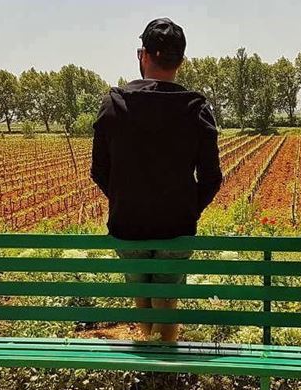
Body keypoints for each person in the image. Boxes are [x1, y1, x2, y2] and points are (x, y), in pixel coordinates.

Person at [90, 18, 223, 341]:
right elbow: (211, 177)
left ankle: (149, 353)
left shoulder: (114, 105)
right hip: (176, 227)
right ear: (181, 61)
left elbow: (99, 170)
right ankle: (166, 358)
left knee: (142, 295)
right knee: (167, 297)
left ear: (143, 56)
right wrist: (188, 208)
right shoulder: (196, 109)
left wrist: (125, 198)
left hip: (127, 225)